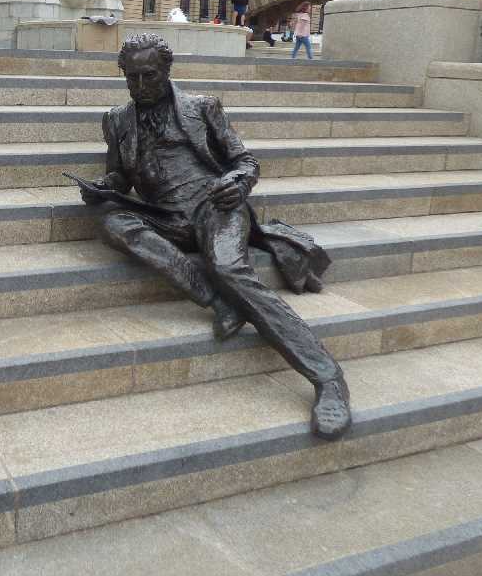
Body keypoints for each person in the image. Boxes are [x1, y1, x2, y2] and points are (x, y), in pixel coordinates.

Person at [79, 34, 350, 439]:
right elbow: (120, 173)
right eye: (130, 78)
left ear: (167, 70)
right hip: (166, 216)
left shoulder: (201, 107)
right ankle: (216, 300)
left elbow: (245, 160)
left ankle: (328, 380)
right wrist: (104, 185)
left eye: (147, 76)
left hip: (215, 207)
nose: (139, 87)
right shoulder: (117, 120)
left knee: (228, 265)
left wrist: (239, 183)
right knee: (111, 219)